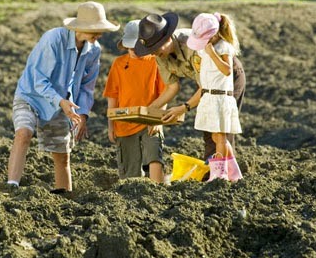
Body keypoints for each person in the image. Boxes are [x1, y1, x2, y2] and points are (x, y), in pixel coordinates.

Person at [6, 1, 119, 193]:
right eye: (96, 30)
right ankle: (11, 186)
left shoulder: (94, 50)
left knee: (62, 153)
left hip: (61, 102)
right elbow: (38, 79)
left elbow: (87, 87)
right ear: (81, 28)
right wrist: (61, 101)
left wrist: (83, 114)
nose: (99, 35)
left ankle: (64, 196)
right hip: (31, 95)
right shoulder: (53, 39)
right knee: (23, 133)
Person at [133, 12, 245, 163]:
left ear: (167, 39)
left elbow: (206, 87)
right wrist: (151, 114)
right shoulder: (160, 55)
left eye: (155, 48)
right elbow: (172, 87)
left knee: (217, 128)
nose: (153, 53)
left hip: (224, 77)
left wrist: (184, 107)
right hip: (205, 83)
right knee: (211, 127)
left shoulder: (192, 46)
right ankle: (225, 170)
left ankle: (219, 175)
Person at [163, 13, 243, 182]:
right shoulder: (203, 48)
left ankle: (219, 174)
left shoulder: (222, 47)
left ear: (214, 35)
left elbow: (227, 70)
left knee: (219, 136)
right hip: (209, 92)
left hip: (221, 92)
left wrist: (212, 53)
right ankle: (233, 170)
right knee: (214, 135)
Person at [103, 20, 167, 183]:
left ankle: (158, 192)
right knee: (129, 174)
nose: (132, 50)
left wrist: (157, 119)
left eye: (136, 47)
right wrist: (111, 125)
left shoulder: (156, 62)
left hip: (150, 122)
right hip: (124, 123)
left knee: (154, 157)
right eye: (129, 47)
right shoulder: (118, 64)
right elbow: (113, 96)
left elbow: (164, 94)